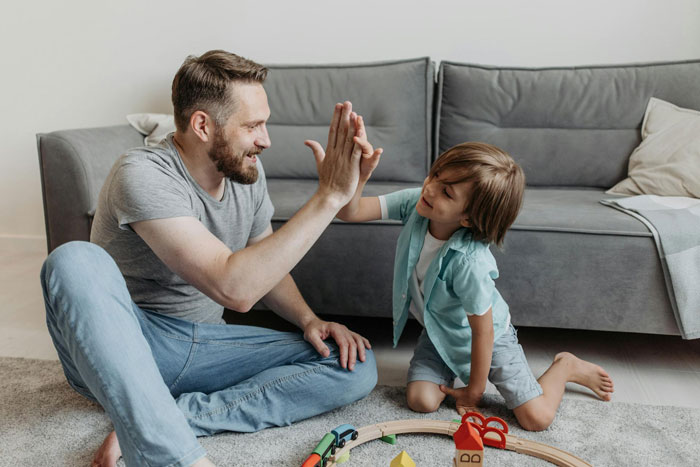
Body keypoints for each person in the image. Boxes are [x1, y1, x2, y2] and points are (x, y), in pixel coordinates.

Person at [40, 50, 381, 467]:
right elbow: (234, 289)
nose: (266, 139)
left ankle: (169, 418)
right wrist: (329, 198)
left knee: (355, 365)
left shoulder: (245, 172)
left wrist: (310, 320)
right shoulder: (142, 173)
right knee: (73, 260)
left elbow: (263, 265)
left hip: (207, 346)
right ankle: (173, 454)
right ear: (203, 124)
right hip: (134, 344)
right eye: (253, 125)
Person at [331, 141, 614, 431]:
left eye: (447, 192)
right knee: (421, 400)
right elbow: (349, 211)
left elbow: (484, 332)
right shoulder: (417, 203)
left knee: (536, 419)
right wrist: (361, 175)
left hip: (490, 339)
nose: (430, 188)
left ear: (468, 218)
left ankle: (565, 366)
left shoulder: (469, 262)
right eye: (436, 175)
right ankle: (449, 368)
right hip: (440, 331)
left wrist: (474, 390)